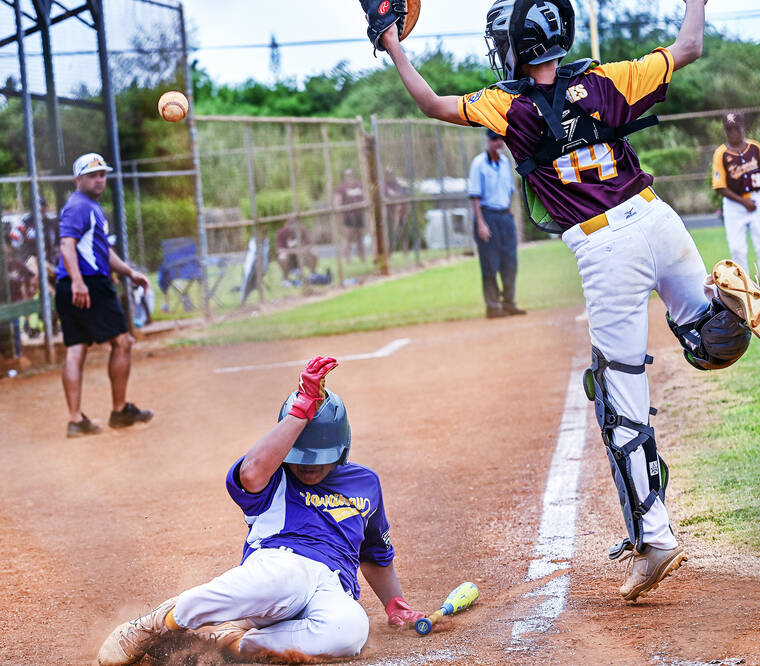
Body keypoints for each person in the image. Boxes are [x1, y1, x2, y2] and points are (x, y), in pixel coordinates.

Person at [369, 0, 760, 602]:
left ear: (515, 48)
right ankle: (725, 303)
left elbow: (432, 104)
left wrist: (393, 42)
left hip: (607, 250)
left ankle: (654, 542)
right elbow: (689, 48)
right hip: (660, 221)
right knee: (711, 344)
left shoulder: (509, 104)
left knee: (618, 400)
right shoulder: (605, 77)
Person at [97, 356, 423, 665]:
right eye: (300, 457)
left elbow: (375, 554)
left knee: (350, 630)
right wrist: (301, 412)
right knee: (287, 582)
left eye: (320, 458)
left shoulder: (364, 482)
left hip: (334, 585)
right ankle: (156, 623)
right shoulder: (272, 476)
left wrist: (395, 605)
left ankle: (229, 641)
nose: (309, 468)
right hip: (280, 567)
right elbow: (251, 471)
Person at [55, 153, 153, 438]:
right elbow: (66, 245)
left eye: (102, 174)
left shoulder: (90, 207)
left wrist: (128, 272)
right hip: (89, 285)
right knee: (122, 342)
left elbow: (101, 251)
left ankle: (75, 420)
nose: (99, 179)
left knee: (76, 349)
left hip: (74, 284)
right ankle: (120, 410)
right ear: (78, 179)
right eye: (92, 175)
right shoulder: (79, 206)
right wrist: (78, 282)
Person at [469, 128, 526, 318]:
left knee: (510, 262)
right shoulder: (479, 164)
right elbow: (475, 197)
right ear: (488, 141)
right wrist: (481, 223)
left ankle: (509, 303)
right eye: (494, 140)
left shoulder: (504, 162)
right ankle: (493, 306)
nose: (498, 143)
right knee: (490, 264)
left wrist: (510, 215)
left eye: (500, 139)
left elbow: (510, 191)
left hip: (504, 216)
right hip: (488, 216)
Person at [712, 111, 760, 272]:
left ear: (743, 128)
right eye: (729, 129)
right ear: (724, 130)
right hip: (734, 205)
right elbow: (720, 187)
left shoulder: (755, 148)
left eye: (736, 128)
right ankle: (745, 290)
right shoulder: (721, 153)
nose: (733, 132)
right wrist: (743, 202)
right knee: (737, 249)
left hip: (757, 198)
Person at [334, 168, 367, 261]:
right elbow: (337, 201)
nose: (349, 177)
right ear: (345, 177)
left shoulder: (359, 185)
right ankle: (347, 258)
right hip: (348, 216)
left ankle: (362, 257)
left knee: (360, 237)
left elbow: (365, 197)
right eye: (348, 175)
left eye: (351, 175)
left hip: (359, 215)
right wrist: (340, 209)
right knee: (348, 237)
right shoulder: (342, 187)